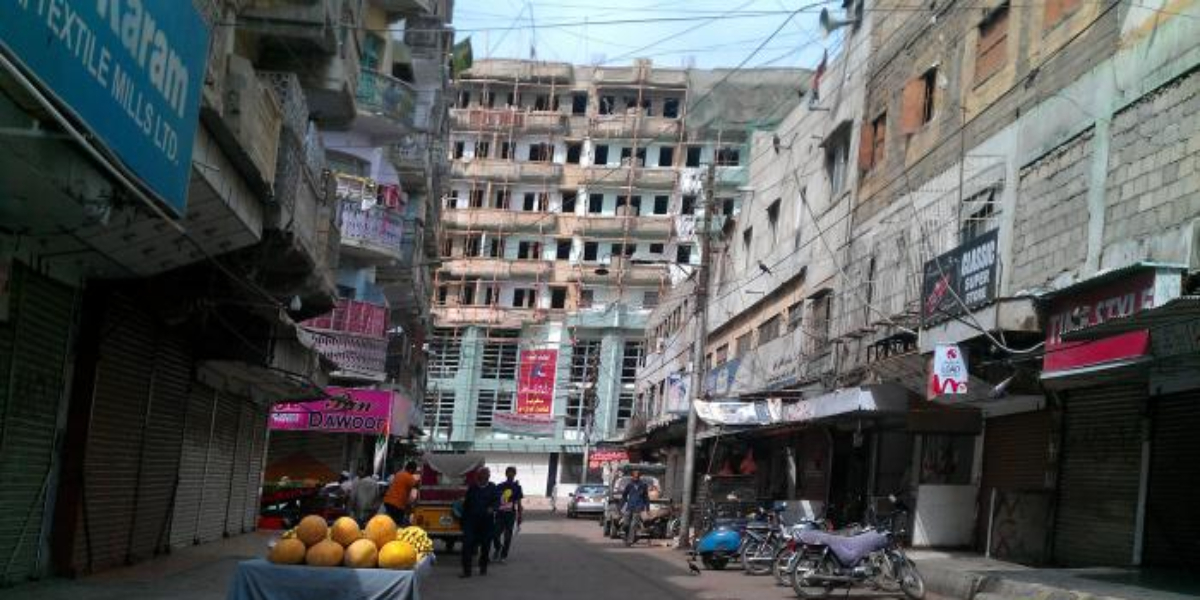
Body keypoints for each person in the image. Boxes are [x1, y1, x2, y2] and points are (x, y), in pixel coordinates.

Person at [461, 467, 498, 578]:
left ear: (488, 478)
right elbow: (466, 504)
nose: (482, 479)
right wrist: (463, 520)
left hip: (486, 523)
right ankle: (467, 571)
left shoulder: (492, 488)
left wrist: (492, 508)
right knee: (467, 546)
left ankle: (483, 567)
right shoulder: (472, 488)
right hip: (471, 522)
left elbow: (497, 501)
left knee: (485, 546)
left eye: (485, 476)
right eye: (480, 477)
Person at [492, 466, 524, 562]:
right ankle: (498, 548)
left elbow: (519, 503)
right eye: (509, 472)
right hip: (500, 514)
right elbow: (495, 500)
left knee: (507, 536)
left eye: (512, 473)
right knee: (495, 534)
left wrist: (519, 516)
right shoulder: (500, 486)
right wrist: (494, 508)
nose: (510, 474)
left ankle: (503, 556)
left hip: (510, 515)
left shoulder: (517, 488)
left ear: (515, 474)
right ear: (506, 474)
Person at [383, 461, 420, 526]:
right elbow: (417, 485)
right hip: (397, 504)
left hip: (388, 501)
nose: (415, 472)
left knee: (390, 520)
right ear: (411, 469)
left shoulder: (399, 473)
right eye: (414, 470)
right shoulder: (408, 477)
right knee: (397, 522)